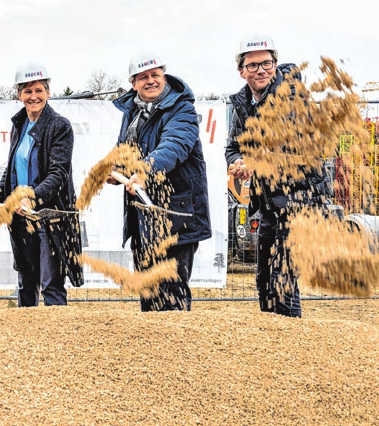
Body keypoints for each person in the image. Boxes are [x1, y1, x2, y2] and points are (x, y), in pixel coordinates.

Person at [225, 34, 333, 318]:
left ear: (274, 65)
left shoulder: (294, 98)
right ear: (242, 71)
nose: (260, 70)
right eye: (253, 66)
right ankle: (271, 343)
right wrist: (237, 161)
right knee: (264, 280)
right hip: (269, 203)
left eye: (266, 63)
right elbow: (233, 146)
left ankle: (290, 346)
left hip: (302, 201)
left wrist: (257, 161)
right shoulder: (243, 104)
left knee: (283, 279)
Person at [108, 54, 211, 311]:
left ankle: (178, 350)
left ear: (164, 77)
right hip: (144, 220)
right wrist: (116, 169)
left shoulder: (182, 109)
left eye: (156, 75)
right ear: (133, 83)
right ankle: (152, 351)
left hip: (175, 215)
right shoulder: (132, 113)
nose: (150, 81)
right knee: (149, 294)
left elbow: (173, 146)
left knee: (172, 295)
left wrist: (145, 170)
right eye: (143, 77)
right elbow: (126, 151)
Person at [0, 63, 84, 307]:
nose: (33, 96)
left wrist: (32, 198)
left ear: (48, 92)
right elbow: (13, 169)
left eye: (39, 90)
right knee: (26, 282)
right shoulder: (19, 126)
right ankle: (26, 340)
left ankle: (57, 338)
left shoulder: (59, 126)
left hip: (50, 217)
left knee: (51, 283)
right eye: (27, 91)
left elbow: (58, 173)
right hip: (21, 217)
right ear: (19, 95)